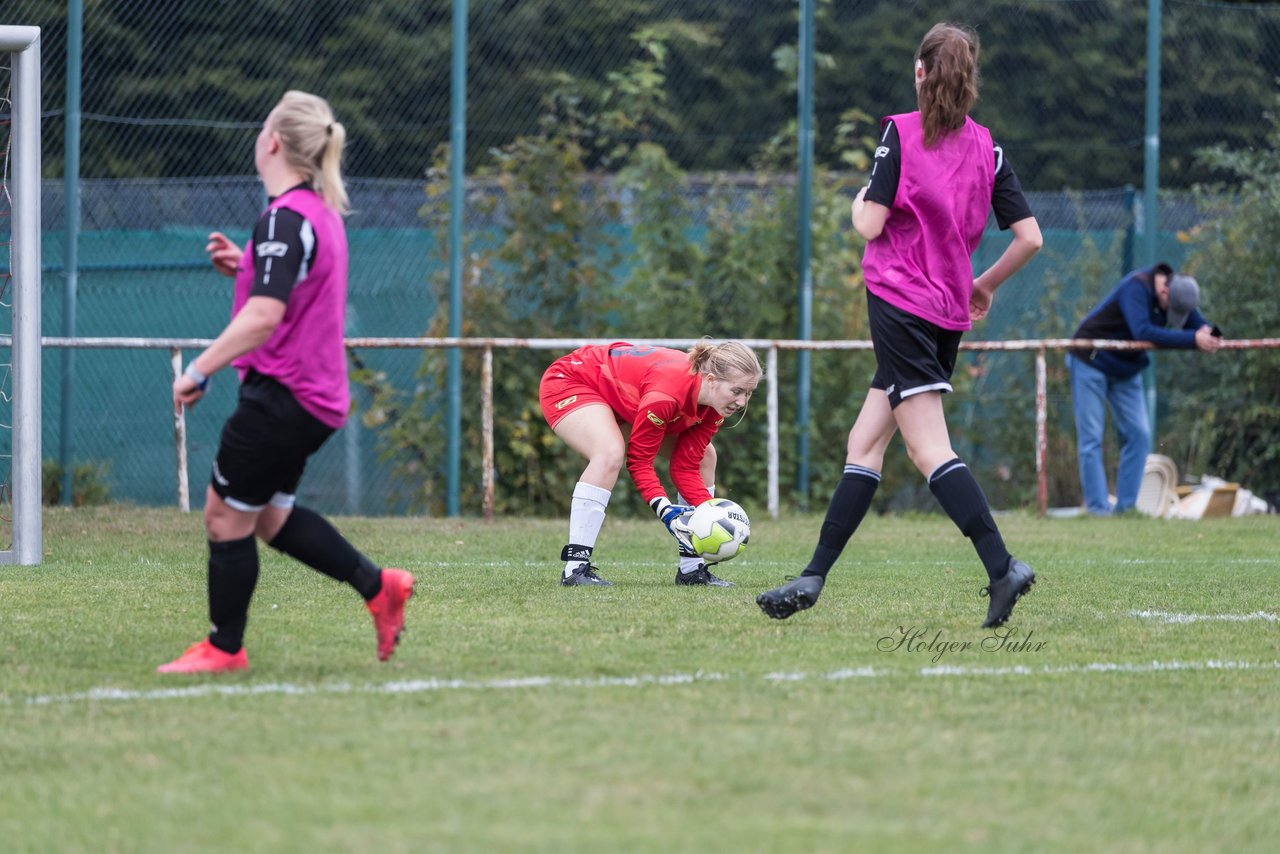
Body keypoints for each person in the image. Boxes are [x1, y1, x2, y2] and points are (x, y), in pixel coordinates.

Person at [757, 22, 1044, 628]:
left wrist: (860, 199)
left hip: (900, 305)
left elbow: (868, 224)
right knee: (864, 444)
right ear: (970, 84)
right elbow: (1030, 238)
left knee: (927, 448)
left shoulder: (900, 133)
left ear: (919, 72)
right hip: (943, 317)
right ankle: (812, 577)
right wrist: (984, 283)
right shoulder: (988, 147)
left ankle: (1001, 565)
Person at [158, 91, 414, 674]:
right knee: (270, 518)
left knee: (224, 517)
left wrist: (199, 368)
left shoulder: (285, 217)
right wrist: (245, 263)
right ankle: (380, 588)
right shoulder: (317, 211)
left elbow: (264, 315)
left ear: (271, 142)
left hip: (283, 396)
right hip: (314, 399)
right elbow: (291, 278)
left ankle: (224, 650)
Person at [539, 339, 763, 587]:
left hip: (622, 397)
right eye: (737, 391)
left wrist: (712, 516)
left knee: (705, 457)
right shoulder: (666, 396)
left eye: (749, 393)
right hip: (571, 380)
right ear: (710, 380)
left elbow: (685, 467)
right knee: (610, 452)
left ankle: (692, 570)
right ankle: (575, 569)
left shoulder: (714, 407)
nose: (742, 402)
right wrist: (665, 510)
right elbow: (639, 462)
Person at [1067, 264, 1221, 516]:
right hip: (1090, 360)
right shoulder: (1136, 287)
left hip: (1126, 367)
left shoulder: (1178, 292)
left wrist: (1213, 334)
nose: (1176, 317)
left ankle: (1126, 511)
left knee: (1139, 434)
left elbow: (1198, 324)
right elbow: (1143, 331)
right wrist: (1193, 340)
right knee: (1091, 438)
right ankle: (1097, 510)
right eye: (1171, 310)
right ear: (1163, 293)